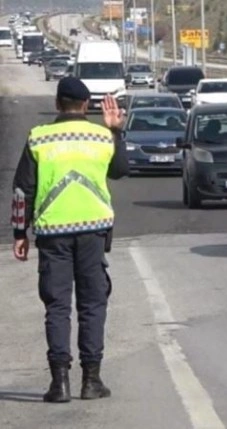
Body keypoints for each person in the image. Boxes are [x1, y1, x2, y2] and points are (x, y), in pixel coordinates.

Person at [10, 77, 129, 403]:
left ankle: (59, 382)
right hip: (93, 233)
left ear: (57, 103)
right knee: (92, 304)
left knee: (57, 306)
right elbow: (120, 170)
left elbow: (22, 190)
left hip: (52, 235)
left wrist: (20, 233)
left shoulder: (39, 138)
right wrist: (116, 130)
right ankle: (91, 380)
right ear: (86, 105)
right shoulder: (102, 136)